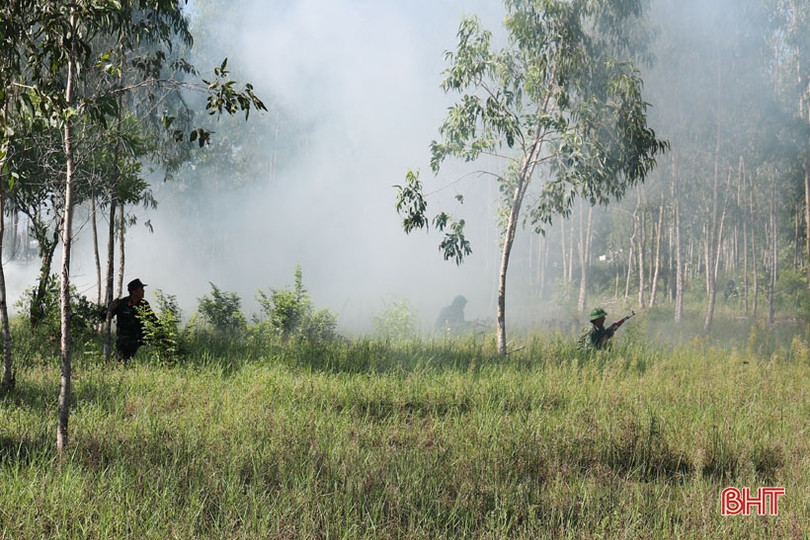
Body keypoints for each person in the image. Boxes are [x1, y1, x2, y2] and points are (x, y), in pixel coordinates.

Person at [111, 278, 155, 362]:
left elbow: (153, 320)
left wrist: (163, 332)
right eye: (141, 289)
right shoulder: (122, 303)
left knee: (140, 361)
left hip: (140, 341)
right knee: (121, 361)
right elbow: (105, 316)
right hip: (124, 341)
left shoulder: (144, 304)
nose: (143, 291)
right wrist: (112, 308)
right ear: (134, 291)